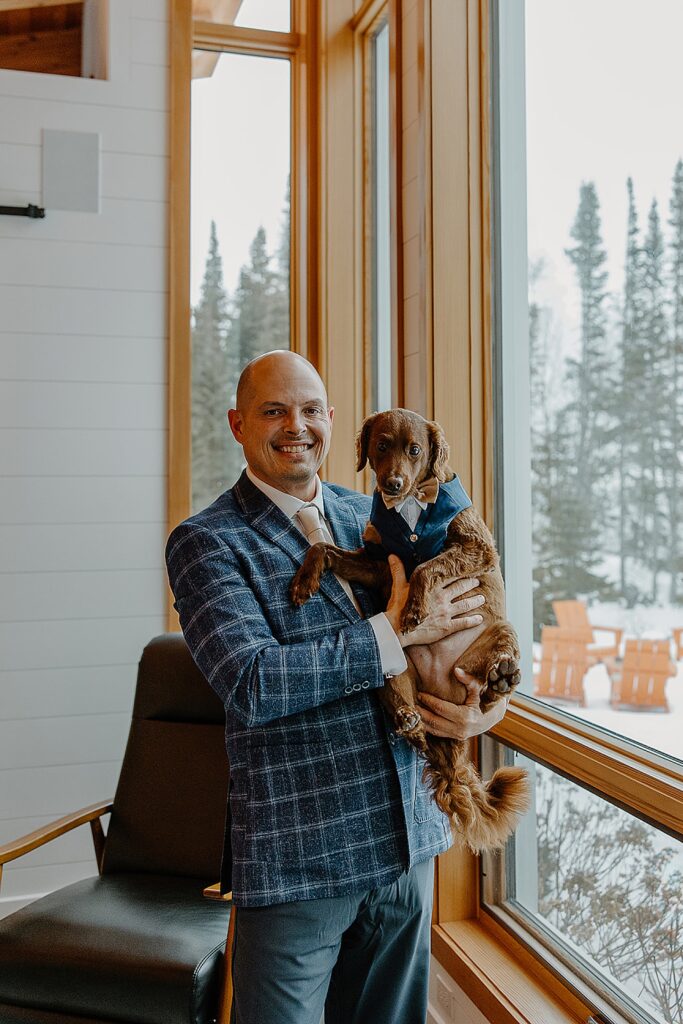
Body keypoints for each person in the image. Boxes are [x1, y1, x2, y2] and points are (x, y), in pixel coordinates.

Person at [165, 350, 508, 1024]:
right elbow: (252, 681)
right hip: (301, 861)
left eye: (311, 410)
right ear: (238, 423)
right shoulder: (207, 542)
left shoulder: (380, 515)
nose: (296, 425)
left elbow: (473, 621)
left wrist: (480, 714)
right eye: (274, 411)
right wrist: (393, 634)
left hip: (408, 847)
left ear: (332, 423)